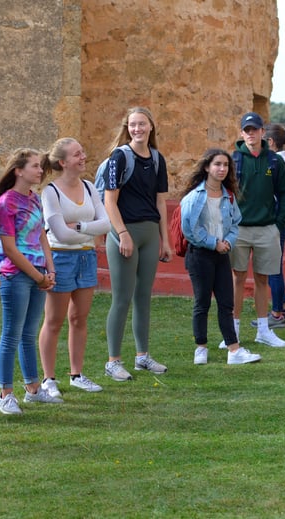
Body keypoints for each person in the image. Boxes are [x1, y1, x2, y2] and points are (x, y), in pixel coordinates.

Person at [100, 107, 172, 381]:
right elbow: (110, 200)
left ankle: (142, 356)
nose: (137, 129)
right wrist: (123, 233)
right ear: (127, 127)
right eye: (132, 124)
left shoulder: (156, 158)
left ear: (151, 126)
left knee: (143, 297)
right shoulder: (120, 156)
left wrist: (165, 239)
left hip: (150, 233)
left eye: (142, 124)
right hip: (125, 233)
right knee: (121, 298)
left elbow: (160, 201)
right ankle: (112, 361)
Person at [38, 138, 110, 395]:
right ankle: (49, 379)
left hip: (87, 257)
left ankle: (76, 374)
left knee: (79, 318)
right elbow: (59, 233)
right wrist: (89, 231)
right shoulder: (51, 192)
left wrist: (79, 227)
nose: (83, 157)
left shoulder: (90, 187)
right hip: (60, 258)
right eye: (77, 154)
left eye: (82, 152)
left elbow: (106, 224)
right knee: (54, 320)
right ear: (63, 162)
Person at [0, 148, 62, 414]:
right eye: (34, 166)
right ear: (18, 170)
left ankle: (33, 389)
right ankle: (5, 394)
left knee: (29, 334)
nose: (40, 170)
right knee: (11, 334)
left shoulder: (34, 199)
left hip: (38, 274)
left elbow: (42, 235)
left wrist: (50, 269)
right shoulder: (6, 203)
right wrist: (38, 276)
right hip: (16, 275)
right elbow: (8, 248)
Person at [180, 148, 262, 365]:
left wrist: (227, 242)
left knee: (227, 303)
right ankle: (201, 348)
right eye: (217, 164)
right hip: (200, 255)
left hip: (221, 254)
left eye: (225, 165)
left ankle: (233, 350)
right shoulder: (194, 197)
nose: (222, 169)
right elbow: (189, 228)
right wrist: (212, 243)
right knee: (202, 303)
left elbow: (236, 223)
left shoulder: (229, 196)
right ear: (207, 167)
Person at [224, 112, 285, 349]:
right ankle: (232, 332)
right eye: (247, 130)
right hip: (239, 229)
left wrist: (279, 223)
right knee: (237, 279)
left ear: (263, 132)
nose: (251, 133)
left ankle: (263, 330)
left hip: (267, 229)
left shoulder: (275, 161)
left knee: (263, 280)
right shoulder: (233, 160)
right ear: (242, 133)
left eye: (255, 129)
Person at [247, 123, 285, 329]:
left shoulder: (277, 162)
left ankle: (277, 313)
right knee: (275, 265)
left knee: (273, 268)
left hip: (278, 220)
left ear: (269, 141)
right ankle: (284, 305)